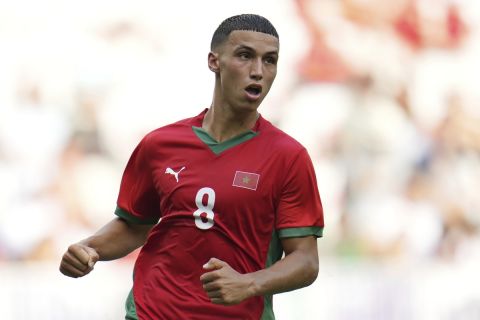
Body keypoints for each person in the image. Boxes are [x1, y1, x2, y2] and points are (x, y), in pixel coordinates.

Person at [59, 14, 324, 320]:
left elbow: (306, 261)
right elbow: (133, 226)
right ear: (214, 61)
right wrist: (90, 249)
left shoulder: (288, 157)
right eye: (244, 56)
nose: (257, 71)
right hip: (152, 312)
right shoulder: (160, 144)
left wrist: (249, 284)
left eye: (270, 61)